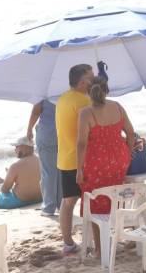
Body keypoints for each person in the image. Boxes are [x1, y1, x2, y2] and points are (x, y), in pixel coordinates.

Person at [76, 76, 135, 257]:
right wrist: (129, 154)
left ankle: (101, 249)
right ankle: (117, 235)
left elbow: (81, 144)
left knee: (95, 201)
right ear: (106, 90)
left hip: (97, 163)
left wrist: (79, 169)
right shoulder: (117, 107)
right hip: (119, 159)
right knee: (115, 197)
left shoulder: (86, 113)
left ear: (89, 92)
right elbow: (131, 133)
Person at [56, 64, 94, 255]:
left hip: (64, 157)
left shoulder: (63, 98)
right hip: (79, 159)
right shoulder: (83, 101)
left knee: (68, 202)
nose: (94, 80)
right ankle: (94, 240)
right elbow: (92, 130)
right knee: (90, 199)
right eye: (91, 77)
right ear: (82, 82)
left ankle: (68, 243)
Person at [27, 99, 62, 216]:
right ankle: (62, 205)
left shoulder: (44, 90)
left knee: (48, 171)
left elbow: (36, 111)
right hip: (64, 132)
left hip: (47, 133)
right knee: (61, 170)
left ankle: (49, 206)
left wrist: (29, 129)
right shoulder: (66, 88)